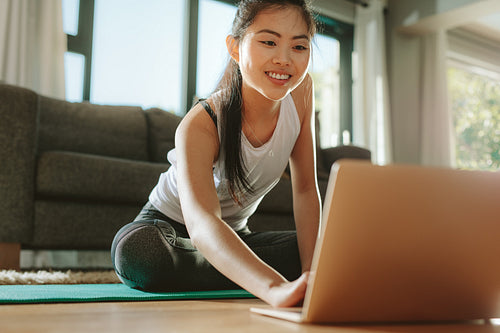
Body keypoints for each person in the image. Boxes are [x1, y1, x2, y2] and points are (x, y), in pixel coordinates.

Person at [111, 0, 321, 308]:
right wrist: (274, 287)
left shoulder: (301, 94)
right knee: (142, 254)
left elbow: (305, 189)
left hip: (236, 236)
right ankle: (239, 269)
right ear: (235, 48)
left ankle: (235, 266)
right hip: (165, 230)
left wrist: (312, 274)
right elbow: (203, 223)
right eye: (269, 42)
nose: (284, 59)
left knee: (335, 249)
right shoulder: (201, 123)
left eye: (299, 47)